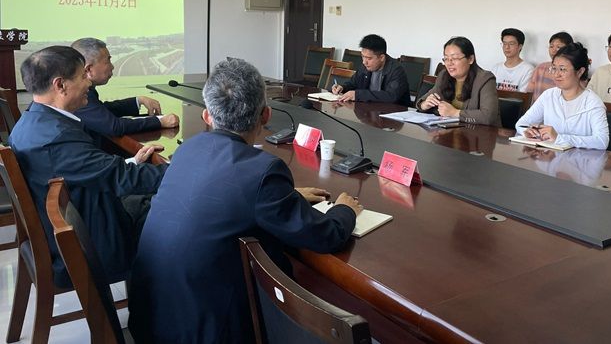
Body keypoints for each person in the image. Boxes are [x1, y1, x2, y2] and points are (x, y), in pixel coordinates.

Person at [128, 58, 361, 344]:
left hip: (150, 318)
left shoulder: (189, 149)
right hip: (208, 332)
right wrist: (345, 210)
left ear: (207, 116)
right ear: (266, 115)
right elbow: (324, 236)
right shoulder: (263, 171)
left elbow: (222, 194)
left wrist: (285, 196)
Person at [8, 46, 167, 288]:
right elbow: (122, 179)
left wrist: (132, 163)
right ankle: (157, 306)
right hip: (91, 243)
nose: (89, 83)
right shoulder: (58, 138)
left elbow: (91, 170)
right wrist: (186, 170)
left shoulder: (32, 121)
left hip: (80, 220)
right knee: (175, 209)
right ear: (60, 85)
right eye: (83, 76)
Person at [71, 37, 179, 137]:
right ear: (88, 69)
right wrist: (160, 122)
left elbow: (102, 111)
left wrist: (138, 100)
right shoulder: (78, 94)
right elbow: (114, 126)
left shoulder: (85, 91)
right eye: (108, 61)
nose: (112, 66)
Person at [516, 43, 609, 150]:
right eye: (554, 68)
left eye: (562, 69)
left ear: (580, 72)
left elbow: (602, 141)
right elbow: (521, 124)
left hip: (581, 159)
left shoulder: (593, 102)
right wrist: (527, 131)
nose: (556, 75)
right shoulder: (549, 95)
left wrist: (559, 138)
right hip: (549, 157)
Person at [416, 36, 500, 126]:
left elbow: (488, 117)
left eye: (455, 58)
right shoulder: (444, 75)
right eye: (446, 59)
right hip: (450, 131)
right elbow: (422, 101)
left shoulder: (485, 79)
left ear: (470, 59)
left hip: (481, 133)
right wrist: (425, 105)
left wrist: (455, 113)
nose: (449, 63)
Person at [332, 34, 411, 106]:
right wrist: (342, 87)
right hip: (369, 110)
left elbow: (391, 96)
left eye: (369, 58)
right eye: (363, 56)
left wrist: (358, 95)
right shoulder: (365, 66)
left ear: (382, 58)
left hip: (392, 113)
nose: (364, 62)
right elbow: (353, 83)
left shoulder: (396, 70)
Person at [526, 31, 574, 101]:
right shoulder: (540, 68)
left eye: (558, 47)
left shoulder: (571, 71)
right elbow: (529, 92)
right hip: (538, 107)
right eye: (551, 46)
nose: (554, 50)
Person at [492, 28, 534, 92]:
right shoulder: (496, 68)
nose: (507, 47)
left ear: (520, 46)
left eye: (511, 44)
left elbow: (523, 96)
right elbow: (490, 92)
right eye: (504, 43)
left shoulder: (528, 70)